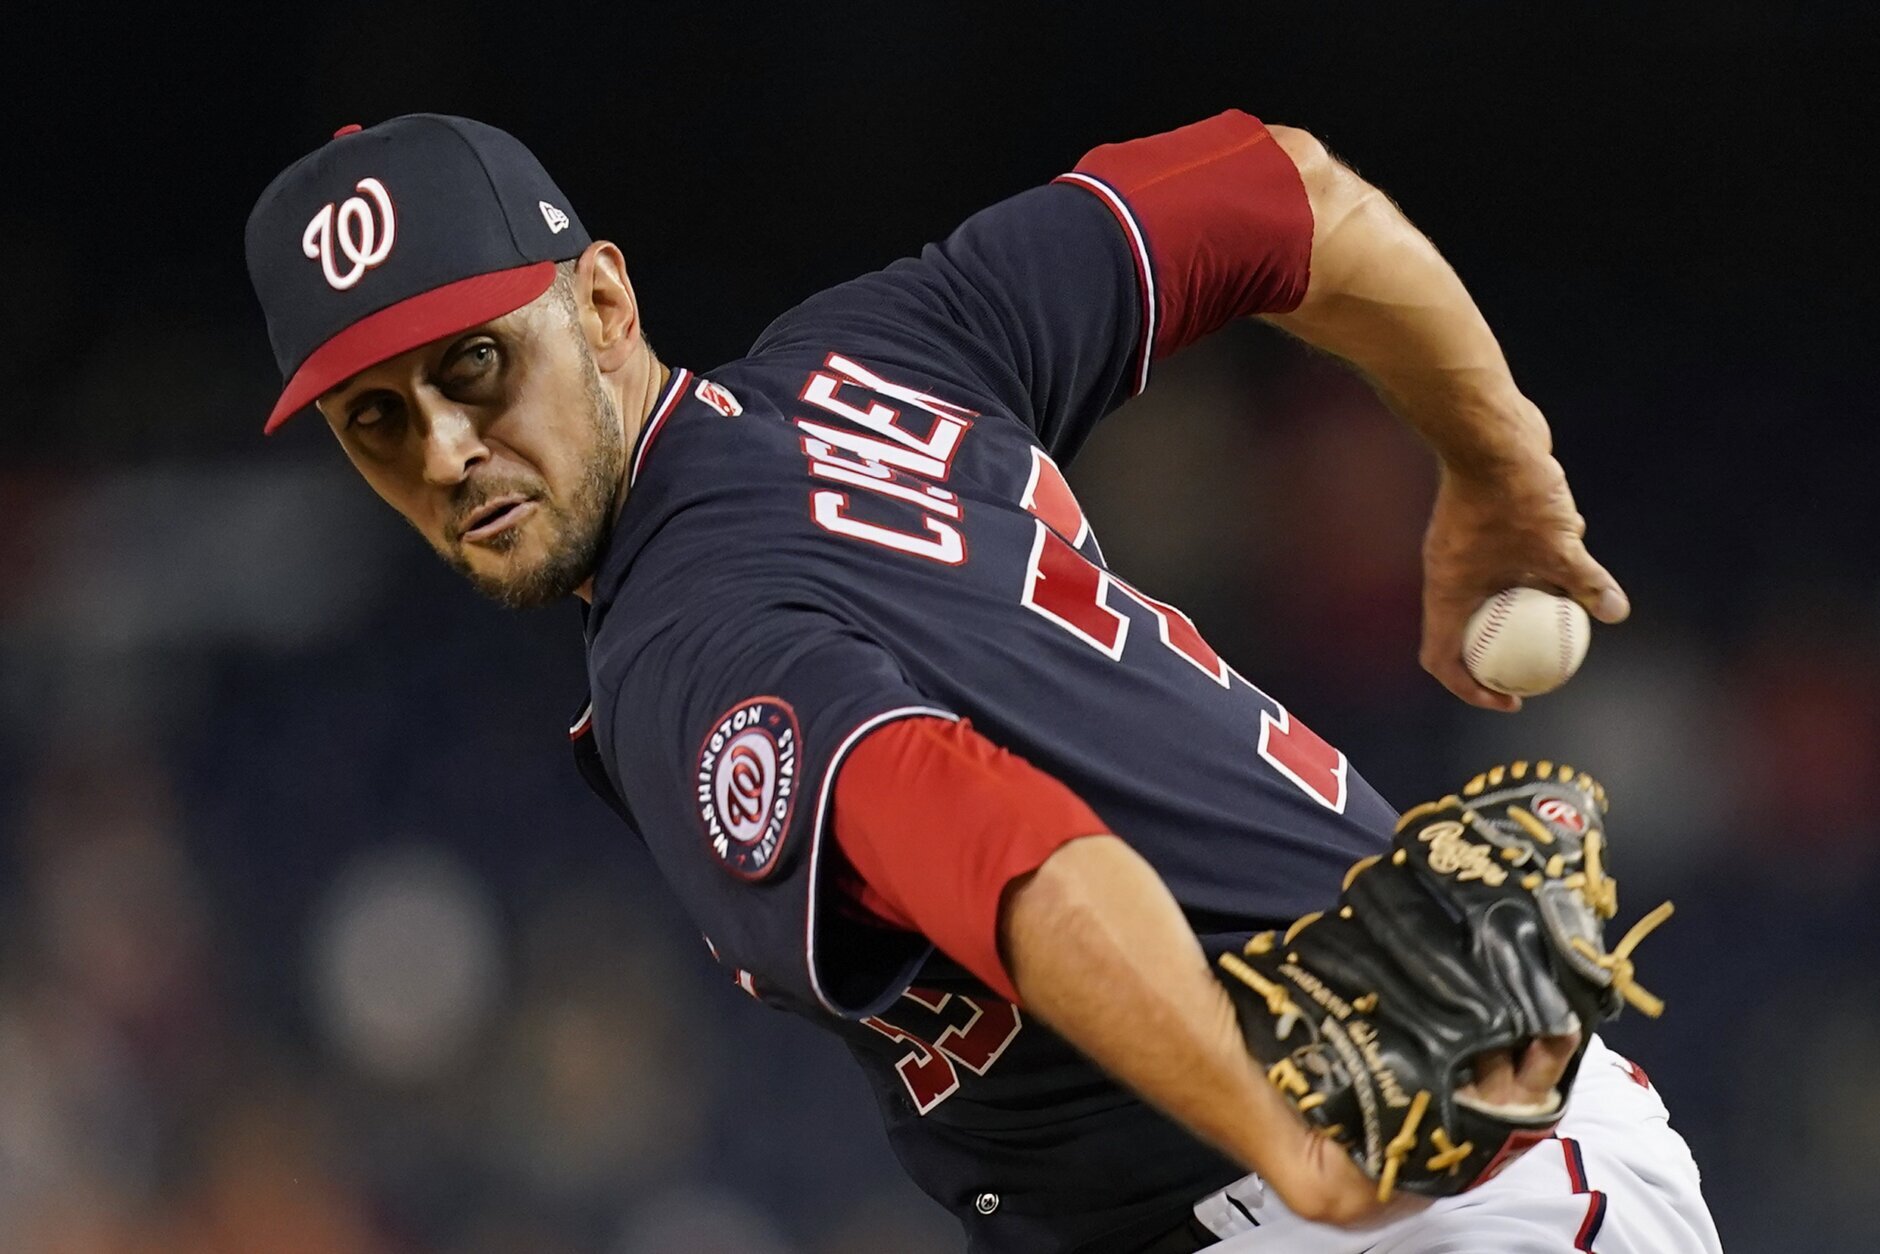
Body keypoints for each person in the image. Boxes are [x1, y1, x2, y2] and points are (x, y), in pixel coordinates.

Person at [244, 111, 1720, 1253]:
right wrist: (1497, 463)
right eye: (379, 418)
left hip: (1397, 1196)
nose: (442, 451)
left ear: (607, 306)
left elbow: (1001, 846)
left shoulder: (686, 649)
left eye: (478, 366)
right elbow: (1287, 192)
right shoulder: (886, 354)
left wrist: (1284, 1134)